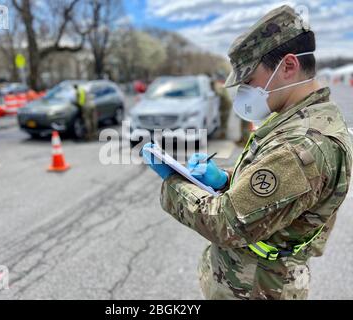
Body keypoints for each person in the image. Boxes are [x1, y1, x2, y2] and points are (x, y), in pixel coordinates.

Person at [142, 5, 352, 300]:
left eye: (249, 80)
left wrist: (175, 183)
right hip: (251, 280)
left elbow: (226, 223)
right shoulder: (300, 119)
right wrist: (224, 181)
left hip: (258, 287)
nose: (244, 91)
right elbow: (274, 194)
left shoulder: (302, 145)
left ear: (288, 66)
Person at [211, 71, 233, 140]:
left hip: (225, 106)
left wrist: (215, 91)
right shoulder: (221, 85)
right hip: (225, 105)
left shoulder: (220, 86)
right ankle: (223, 134)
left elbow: (220, 94)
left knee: (223, 121)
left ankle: (223, 135)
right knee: (223, 121)